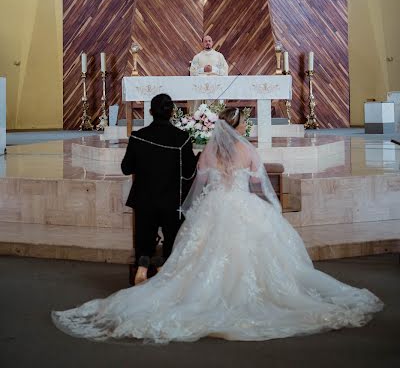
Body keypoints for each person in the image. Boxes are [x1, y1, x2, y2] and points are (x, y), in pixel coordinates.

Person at [52, 108, 382, 343]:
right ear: (239, 127)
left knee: (197, 256)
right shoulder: (248, 151)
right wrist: (266, 207)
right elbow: (258, 186)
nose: (246, 128)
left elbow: (200, 184)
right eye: (245, 124)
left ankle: (154, 279)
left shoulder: (208, 151)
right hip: (242, 206)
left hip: (214, 207)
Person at [120, 93, 197, 285]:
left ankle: (143, 262)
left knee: (144, 230)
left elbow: (126, 168)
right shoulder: (182, 138)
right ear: (172, 112)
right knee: (172, 234)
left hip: (144, 199)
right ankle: (166, 263)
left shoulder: (138, 137)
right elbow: (189, 173)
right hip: (172, 201)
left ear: (150, 112)